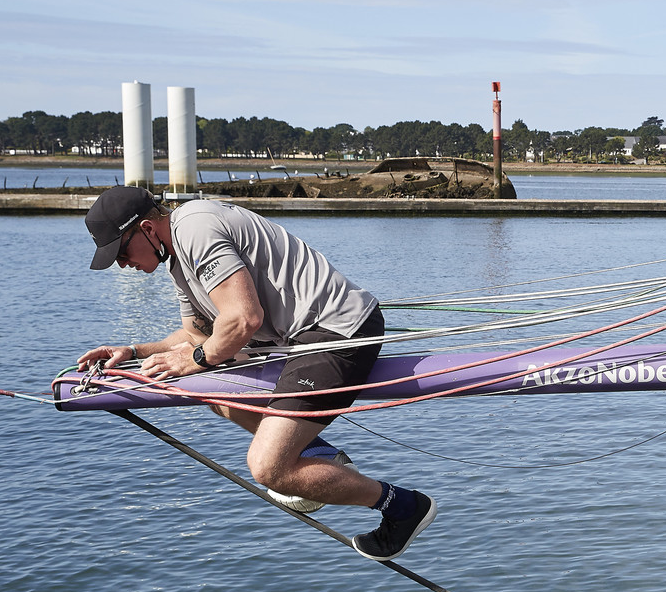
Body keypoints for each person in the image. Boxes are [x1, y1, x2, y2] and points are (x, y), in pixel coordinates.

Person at [75, 186, 435, 560]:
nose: (121, 264)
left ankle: (403, 507)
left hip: (337, 331)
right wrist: (134, 351)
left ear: (147, 229)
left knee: (268, 467)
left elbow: (244, 319)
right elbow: (200, 334)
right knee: (212, 388)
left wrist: (194, 359)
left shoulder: (195, 228)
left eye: (120, 251)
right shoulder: (178, 261)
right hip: (296, 342)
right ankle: (317, 453)